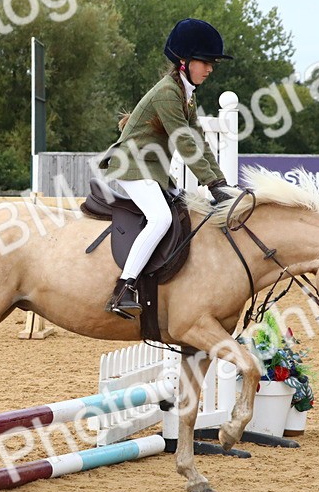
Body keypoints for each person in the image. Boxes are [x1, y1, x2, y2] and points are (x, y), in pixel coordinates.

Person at [99, 18, 234, 319]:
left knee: (183, 211)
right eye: (206, 62)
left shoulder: (186, 94)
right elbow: (185, 143)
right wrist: (212, 185)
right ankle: (123, 289)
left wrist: (221, 181)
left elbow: (198, 140)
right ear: (184, 61)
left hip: (152, 169)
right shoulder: (167, 93)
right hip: (131, 166)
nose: (210, 68)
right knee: (159, 218)